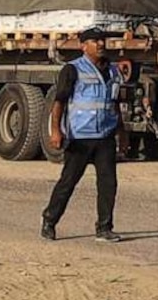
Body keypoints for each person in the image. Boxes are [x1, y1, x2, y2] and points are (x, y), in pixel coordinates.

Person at [41, 31, 131, 242]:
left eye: (102, 41)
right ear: (83, 46)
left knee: (108, 183)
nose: (100, 44)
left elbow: (114, 104)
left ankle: (104, 228)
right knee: (68, 182)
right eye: (95, 41)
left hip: (105, 136)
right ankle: (49, 220)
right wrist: (56, 130)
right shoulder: (73, 69)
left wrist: (122, 133)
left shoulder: (112, 70)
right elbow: (59, 102)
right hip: (80, 136)